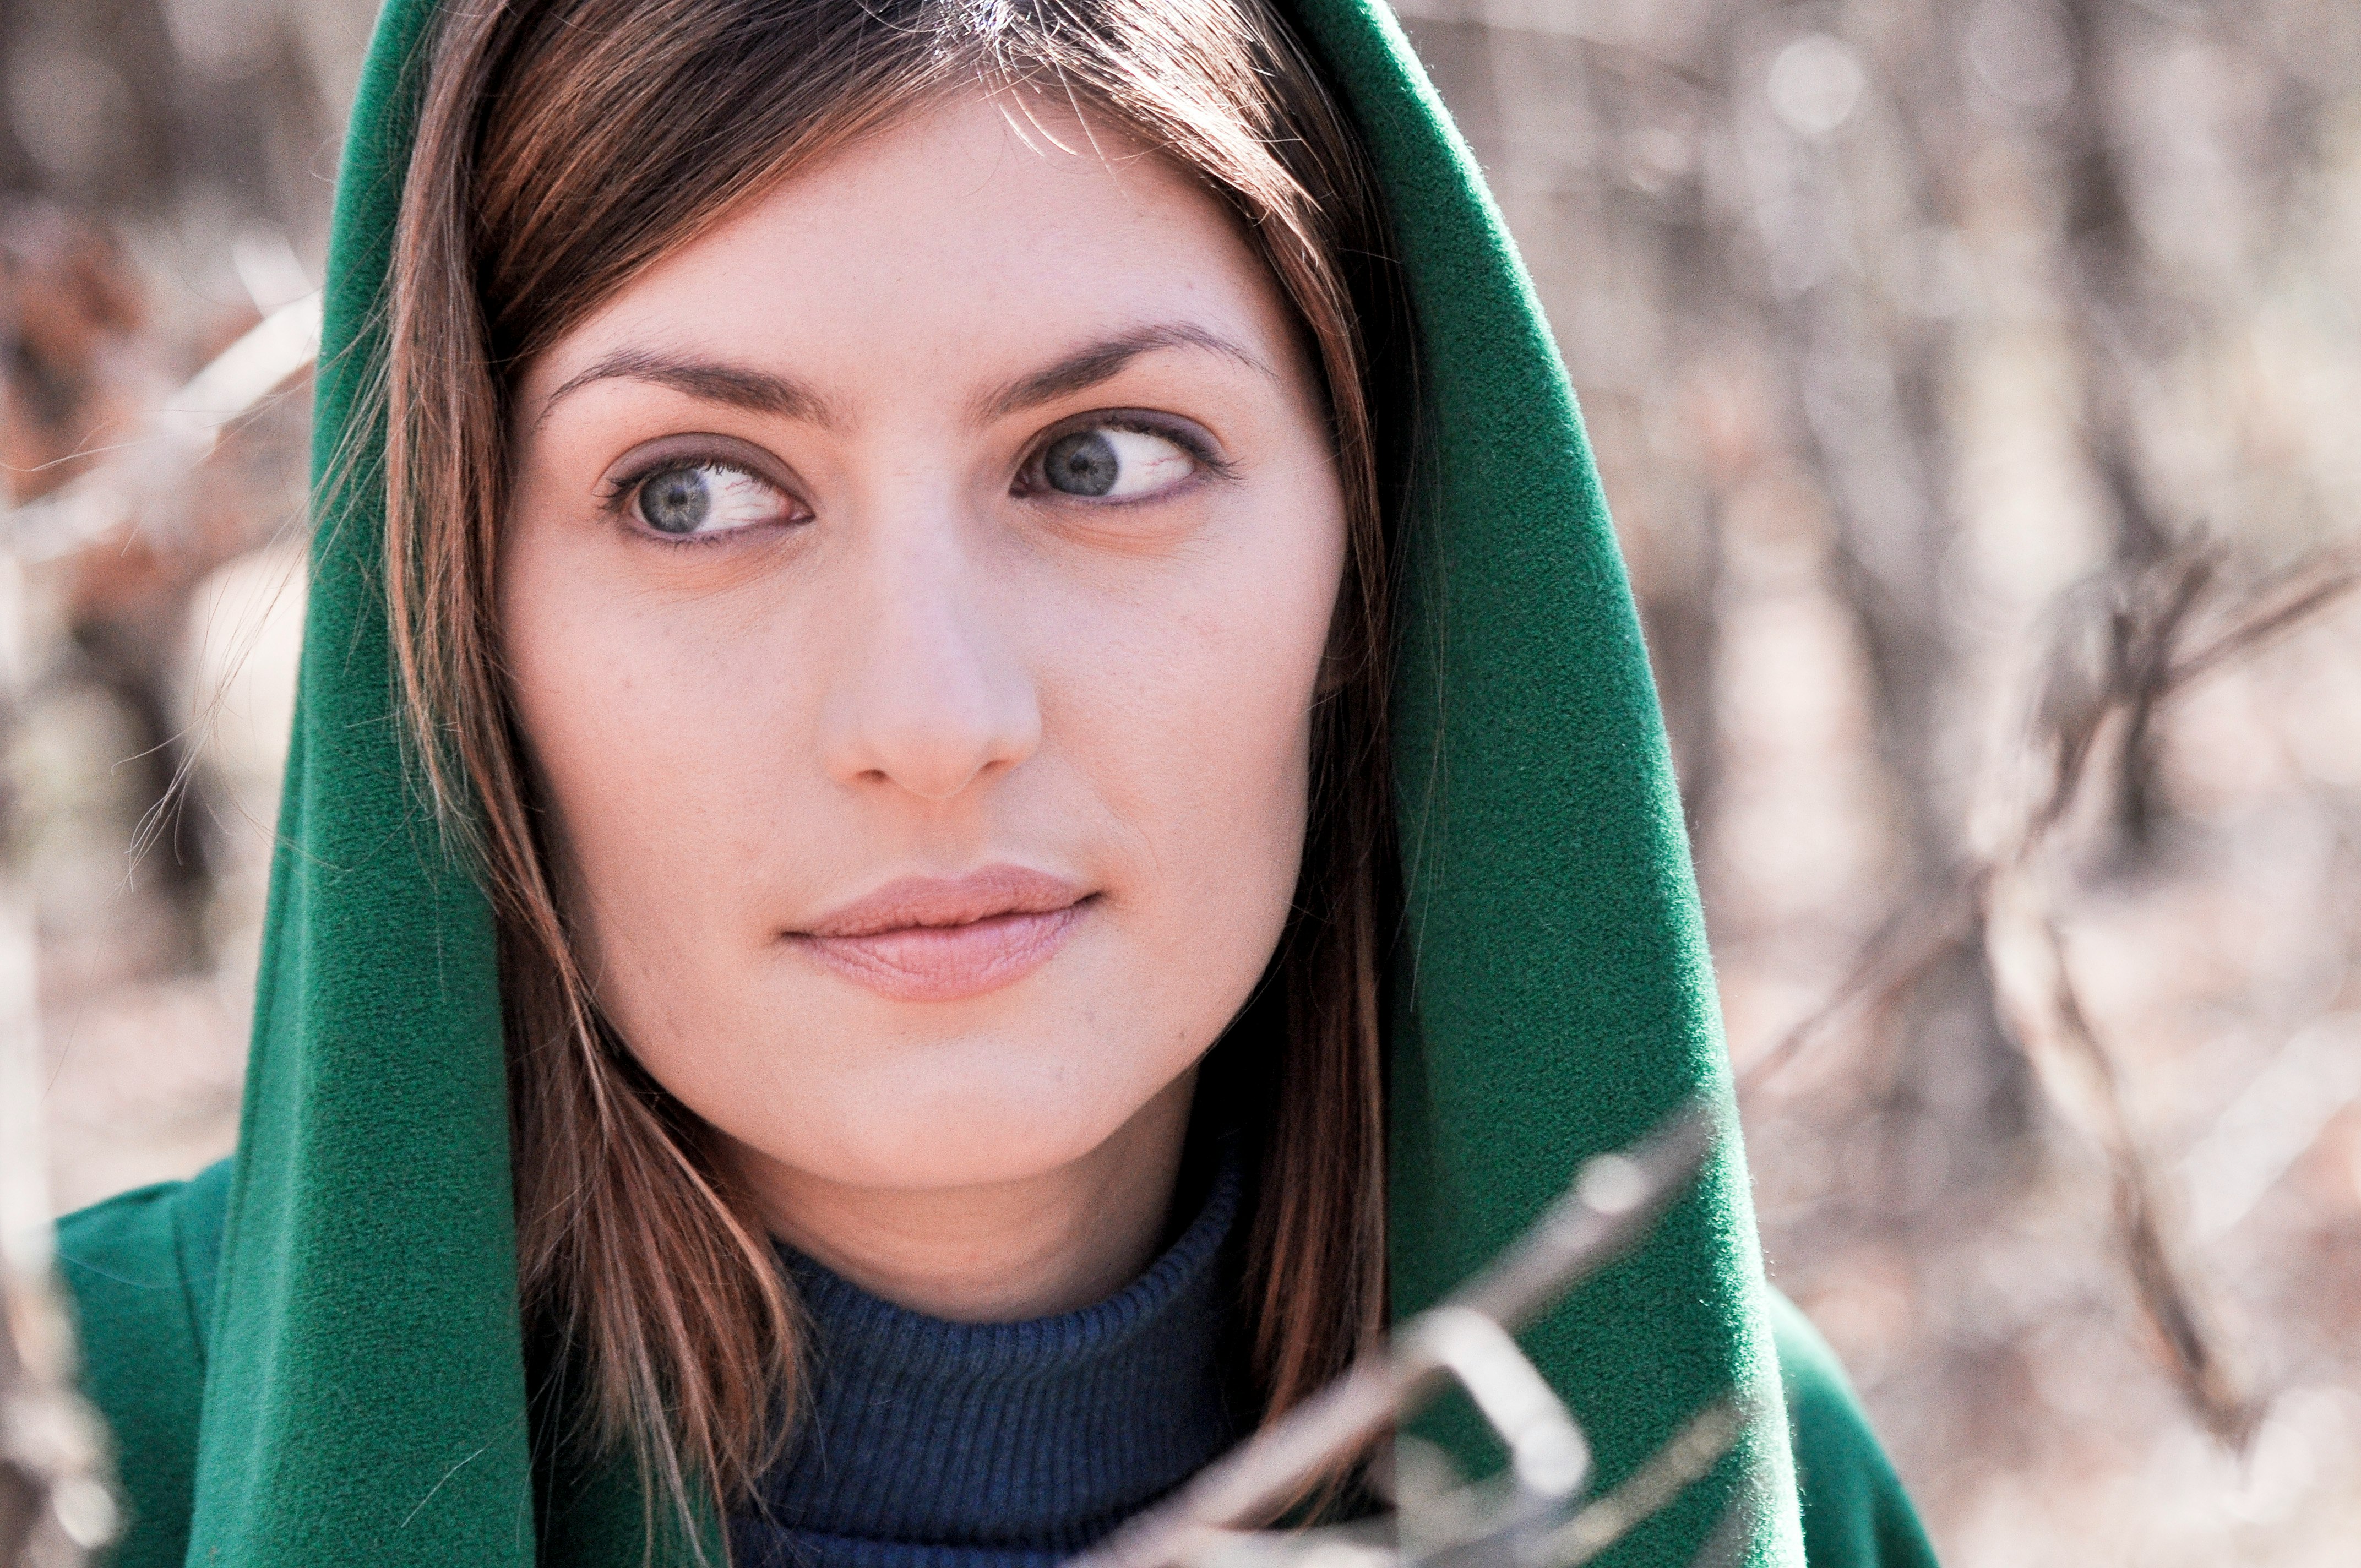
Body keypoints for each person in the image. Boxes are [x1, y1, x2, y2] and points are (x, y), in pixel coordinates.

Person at [56, 3, 1940, 1566]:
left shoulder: (1725, 1472)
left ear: (1379, 559)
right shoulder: (80, 1465)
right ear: (455, 620)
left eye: (1102, 458)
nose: (933, 716)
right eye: (692, 490)